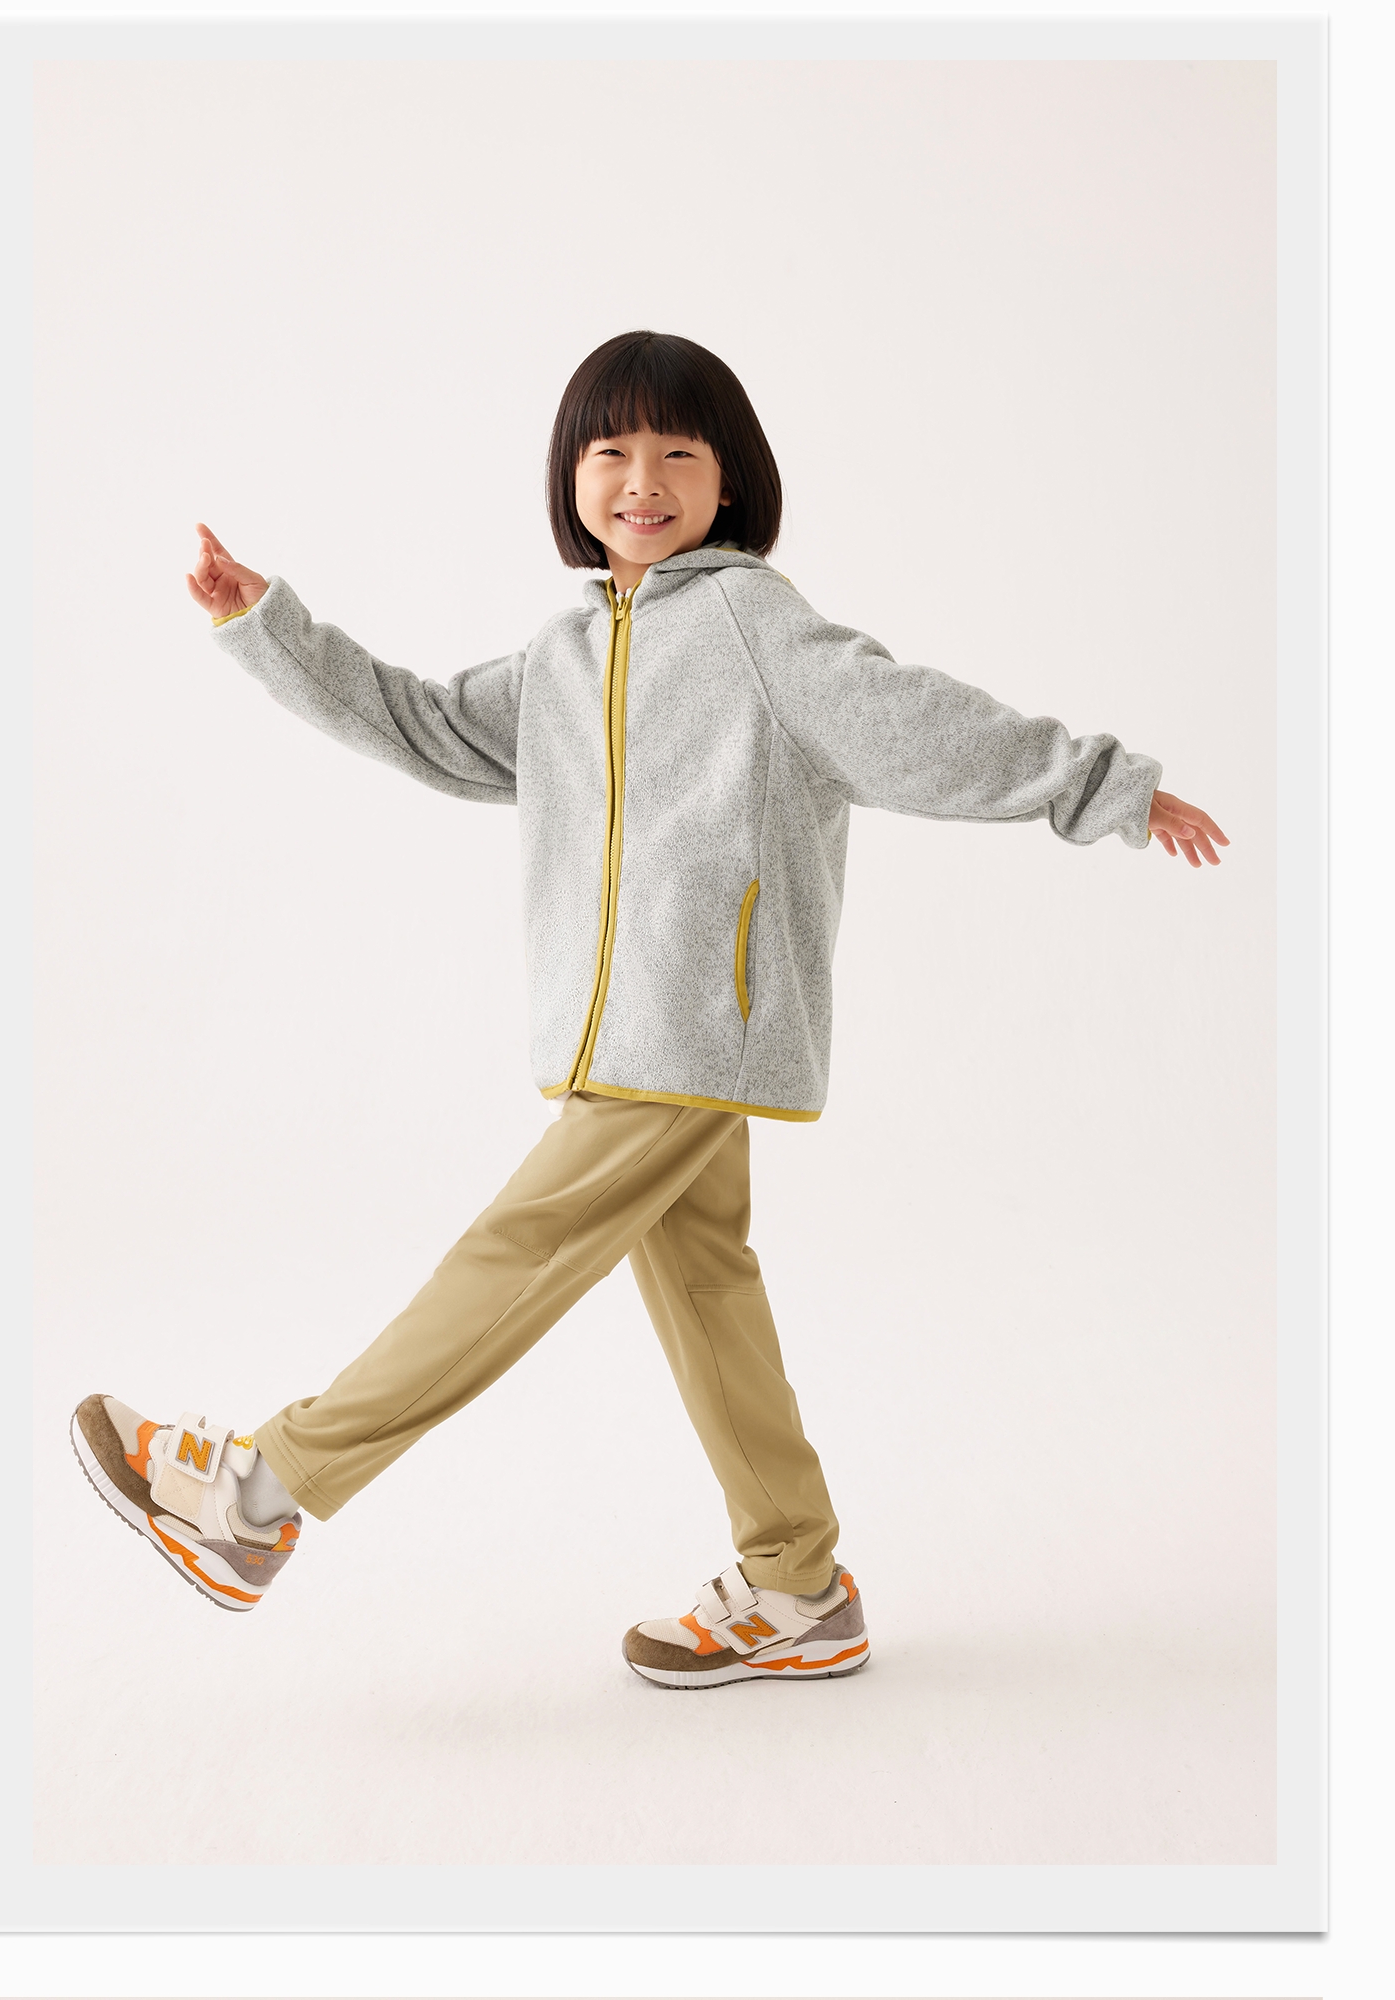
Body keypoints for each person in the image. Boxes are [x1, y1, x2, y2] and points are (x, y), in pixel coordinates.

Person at [70, 330, 1226, 1689]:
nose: (643, 479)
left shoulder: (756, 626)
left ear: (730, 481)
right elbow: (426, 724)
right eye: (611, 451)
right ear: (571, 478)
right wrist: (267, 627)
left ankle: (255, 1498)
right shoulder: (566, 651)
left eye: (680, 452)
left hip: (696, 1026)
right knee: (706, 1287)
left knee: (515, 1250)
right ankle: (798, 1585)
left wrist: (1099, 786)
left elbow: (914, 722)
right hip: (618, 1035)